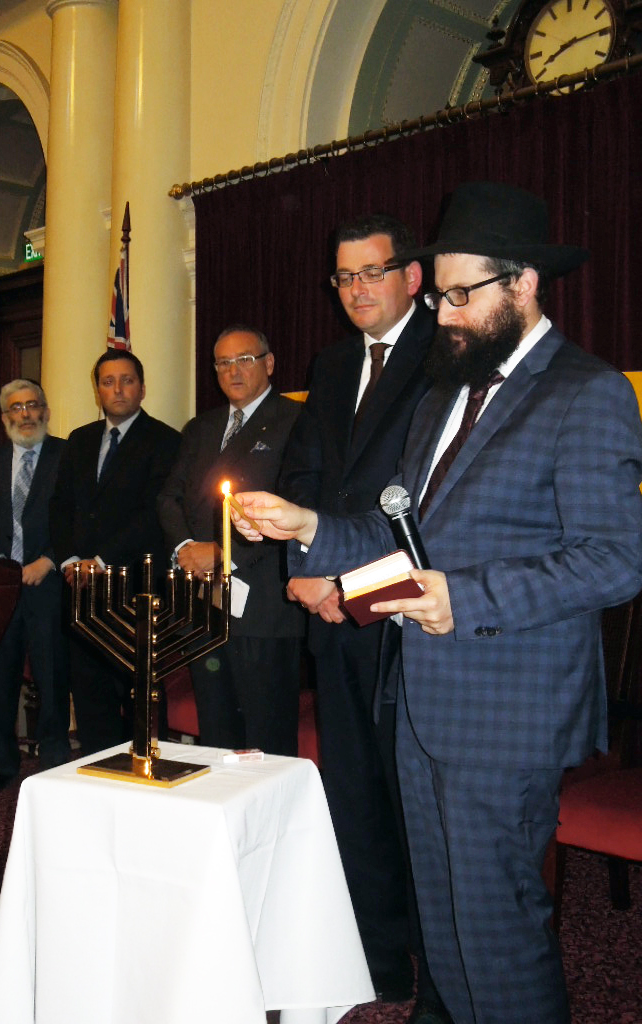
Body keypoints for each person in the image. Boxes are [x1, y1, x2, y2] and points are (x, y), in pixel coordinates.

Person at [228, 181, 642, 1024]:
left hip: (506, 708)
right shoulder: (443, 397)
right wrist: (307, 524)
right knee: (446, 931)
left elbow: (616, 560)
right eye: (442, 293)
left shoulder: (585, 392)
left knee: (497, 932)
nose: (445, 315)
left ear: (523, 283)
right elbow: (401, 541)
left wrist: (466, 596)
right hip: (418, 700)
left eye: (462, 294)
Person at [278, 214, 441, 1016]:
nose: (357, 290)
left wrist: (350, 584)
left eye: (371, 273)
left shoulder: (449, 354)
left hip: (405, 615)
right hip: (327, 609)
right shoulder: (334, 362)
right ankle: (379, 958)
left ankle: (434, 955)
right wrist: (308, 572)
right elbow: (305, 468)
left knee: (413, 792)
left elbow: (430, 496)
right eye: (344, 278)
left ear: (412, 277)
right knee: (351, 788)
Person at [157, 326, 304, 755]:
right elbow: (170, 497)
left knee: (267, 736)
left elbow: (296, 506)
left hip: (264, 603)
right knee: (217, 733)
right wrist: (186, 548)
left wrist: (223, 553)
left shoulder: (295, 422)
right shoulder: (200, 427)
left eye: (245, 359)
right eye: (223, 362)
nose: (233, 371)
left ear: (269, 363)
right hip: (205, 601)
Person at [49, 349, 180, 754]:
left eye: (126, 380)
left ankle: (136, 771)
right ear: (97, 390)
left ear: (142, 387)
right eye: (108, 381)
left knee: (135, 689)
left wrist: (101, 560)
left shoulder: (166, 440)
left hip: (136, 584)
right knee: (88, 689)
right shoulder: (80, 439)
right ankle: (97, 767)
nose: (117, 389)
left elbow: (152, 512)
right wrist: (71, 560)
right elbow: (60, 506)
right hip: (82, 586)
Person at [0, 379, 70, 790]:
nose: (25, 414)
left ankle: (53, 759)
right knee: (0, 676)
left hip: (48, 583)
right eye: (16, 407)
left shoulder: (67, 456)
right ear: (4, 416)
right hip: (1, 585)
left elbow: (76, 518)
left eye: (33, 405)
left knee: (51, 674)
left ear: (45, 411)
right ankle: (3, 762)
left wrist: (47, 560)